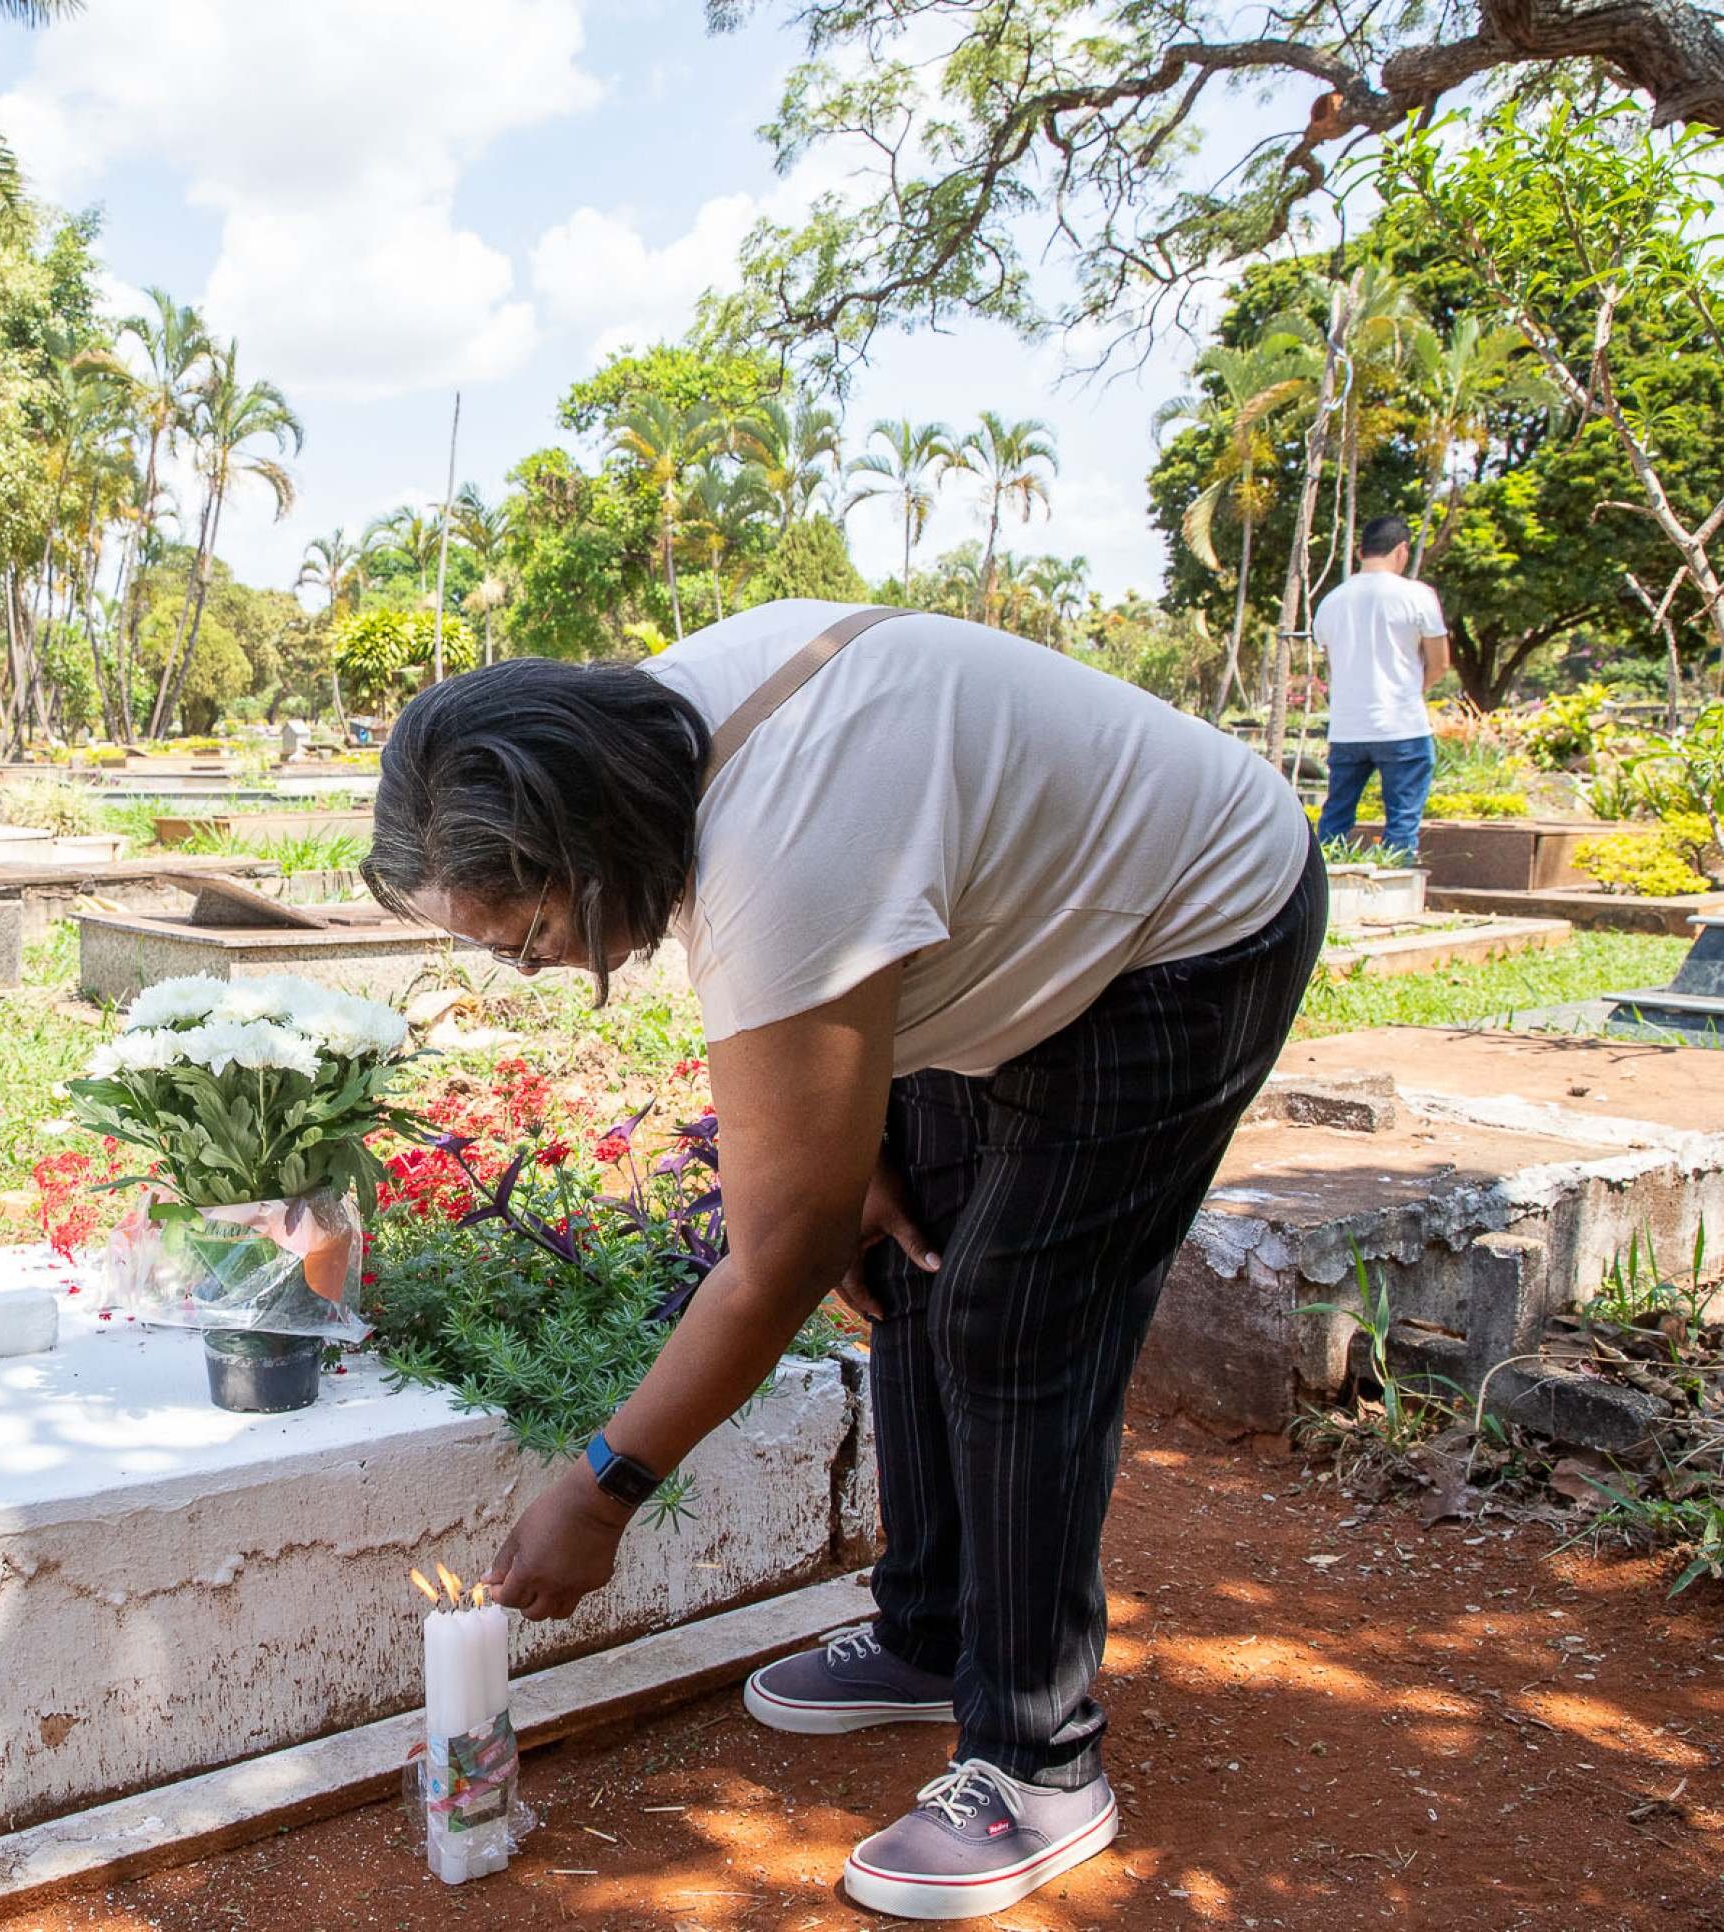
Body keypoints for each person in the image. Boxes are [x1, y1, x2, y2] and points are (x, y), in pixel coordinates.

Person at [365, 600, 1322, 1922]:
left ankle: (1034, 1760)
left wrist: (602, 1489)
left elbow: (772, 1255)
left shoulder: (778, 846)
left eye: (524, 939)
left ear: (587, 864)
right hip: (988, 936)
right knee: (902, 1265)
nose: (529, 971)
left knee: (1010, 1320)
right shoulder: (636, 749)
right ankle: (931, 1631)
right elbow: (824, 1161)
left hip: (1176, 928)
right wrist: (850, 1152)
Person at [1312, 515, 1450, 861]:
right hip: (1402, 725)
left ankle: (1323, 883)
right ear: (1402, 550)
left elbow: (1331, 663)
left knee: (1335, 817)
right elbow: (1440, 663)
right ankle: (1393, 885)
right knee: (1402, 823)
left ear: (1360, 551)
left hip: (1347, 727)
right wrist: (1411, 689)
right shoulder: (1417, 596)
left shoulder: (1331, 602)